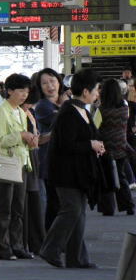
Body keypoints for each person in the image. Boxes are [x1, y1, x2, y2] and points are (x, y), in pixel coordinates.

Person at [39, 69, 104, 269]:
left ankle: (77, 258)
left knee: (78, 213)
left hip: (79, 172)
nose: (97, 94)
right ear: (85, 91)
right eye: (96, 89)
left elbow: (89, 136)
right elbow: (66, 145)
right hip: (65, 172)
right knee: (72, 210)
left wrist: (97, 144)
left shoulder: (82, 110)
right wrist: (90, 144)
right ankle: (50, 249)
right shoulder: (68, 112)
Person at [0, 74, 37, 261]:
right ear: (9, 91)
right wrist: (21, 136)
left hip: (21, 164)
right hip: (6, 165)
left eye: (26, 91)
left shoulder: (20, 111)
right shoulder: (0, 112)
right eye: (21, 91)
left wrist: (30, 141)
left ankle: (17, 246)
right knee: (4, 209)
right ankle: (3, 248)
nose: (25, 94)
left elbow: (21, 140)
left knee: (18, 209)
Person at [97, 78, 135, 215]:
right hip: (121, 146)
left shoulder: (101, 110)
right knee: (121, 176)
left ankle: (108, 208)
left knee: (106, 177)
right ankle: (128, 205)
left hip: (105, 148)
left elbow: (95, 127)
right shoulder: (125, 108)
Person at [33, 68, 64, 229]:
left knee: (61, 203)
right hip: (50, 160)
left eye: (52, 81)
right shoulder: (42, 106)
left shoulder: (63, 103)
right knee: (54, 203)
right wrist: (66, 104)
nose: (50, 86)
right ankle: (51, 237)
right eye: (44, 83)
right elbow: (65, 122)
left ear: (59, 82)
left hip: (66, 159)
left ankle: (56, 237)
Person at [21, 88, 46, 255]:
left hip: (33, 156)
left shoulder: (29, 113)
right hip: (27, 158)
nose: (28, 106)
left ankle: (36, 242)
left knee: (34, 201)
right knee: (31, 201)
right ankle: (33, 242)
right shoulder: (20, 114)